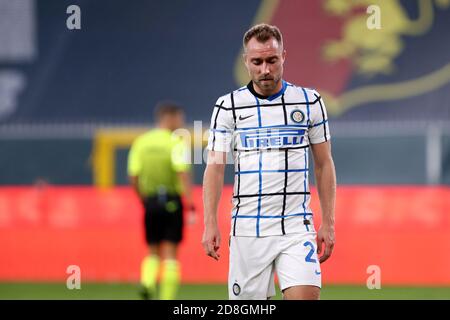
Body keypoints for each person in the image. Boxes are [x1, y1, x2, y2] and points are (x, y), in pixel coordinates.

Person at [202, 24, 336, 300]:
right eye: (257, 62)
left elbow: (323, 164)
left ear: (283, 56)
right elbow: (215, 167)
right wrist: (210, 222)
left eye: (272, 60)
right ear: (246, 61)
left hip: (296, 227)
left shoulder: (310, 102)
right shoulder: (228, 106)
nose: (265, 69)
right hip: (248, 229)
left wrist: (329, 222)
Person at [128, 101, 196, 300]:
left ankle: (147, 282)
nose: (181, 122)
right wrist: (190, 204)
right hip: (172, 201)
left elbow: (133, 175)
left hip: (150, 202)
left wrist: (143, 199)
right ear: (170, 117)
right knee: (171, 253)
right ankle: (166, 298)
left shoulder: (142, 142)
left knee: (152, 251)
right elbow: (182, 172)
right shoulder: (175, 142)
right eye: (179, 118)